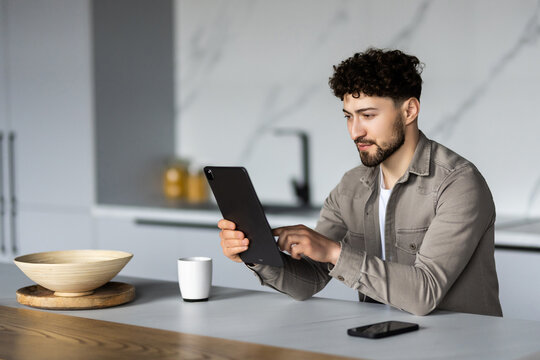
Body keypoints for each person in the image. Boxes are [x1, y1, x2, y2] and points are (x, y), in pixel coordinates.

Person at [218, 48, 502, 317]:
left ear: (409, 111)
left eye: (368, 115)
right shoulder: (351, 186)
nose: (355, 132)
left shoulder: (458, 183)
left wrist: (332, 250)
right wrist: (256, 253)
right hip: (380, 340)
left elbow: (424, 293)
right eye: (348, 117)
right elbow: (310, 280)